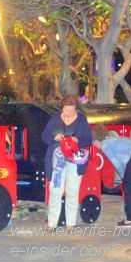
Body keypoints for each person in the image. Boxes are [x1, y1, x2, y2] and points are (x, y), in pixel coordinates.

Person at [41, 94, 92, 232]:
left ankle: (71, 224)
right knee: (55, 191)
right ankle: (52, 224)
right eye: (66, 110)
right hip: (57, 160)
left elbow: (88, 138)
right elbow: (44, 136)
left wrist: (77, 140)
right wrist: (54, 137)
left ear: (76, 108)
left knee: (72, 191)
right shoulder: (54, 119)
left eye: (72, 110)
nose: (69, 113)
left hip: (75, 160)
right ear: (62, 107)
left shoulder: (82, 119)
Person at [92, 124, 131, 228]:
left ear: (96, 140)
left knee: (128, 188)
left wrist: (123, 176)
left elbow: (116, 163)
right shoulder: (112, 140)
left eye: (93, 143)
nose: (94, 145)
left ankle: (130, 220)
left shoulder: (105, 145)